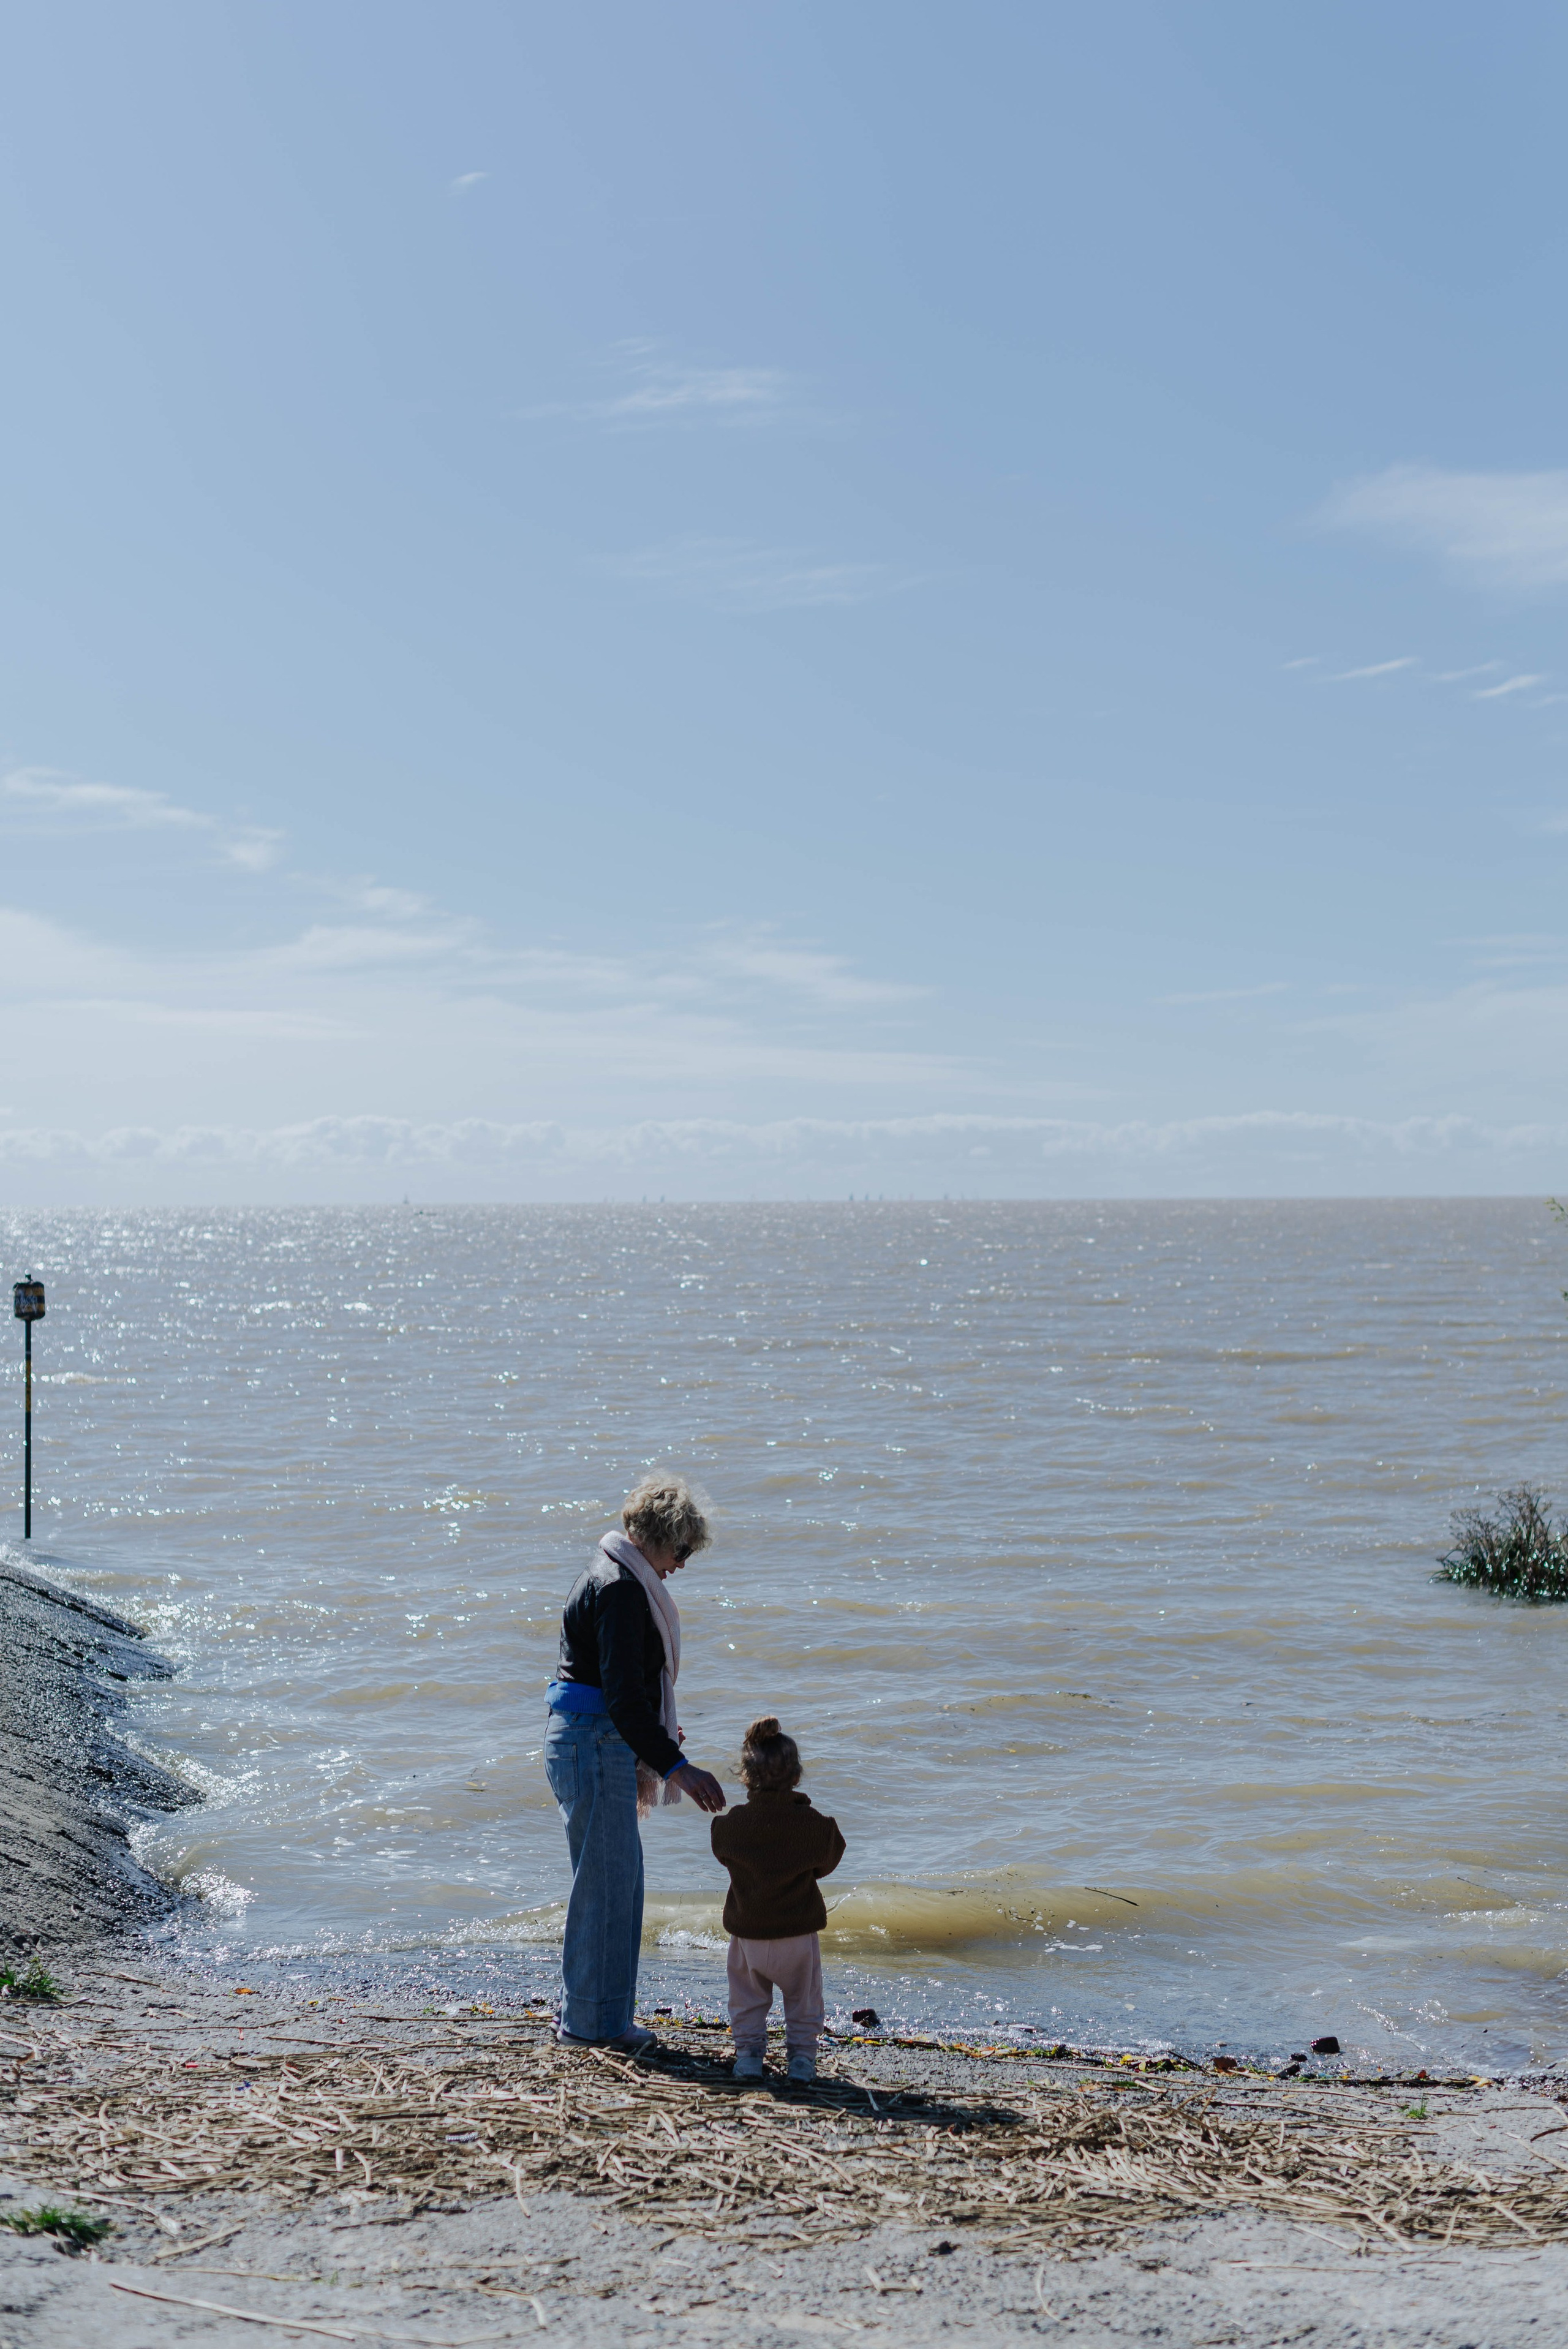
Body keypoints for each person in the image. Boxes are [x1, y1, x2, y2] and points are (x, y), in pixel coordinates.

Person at [545, 1472, 726, 2053]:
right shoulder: (621, 1588)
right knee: (606, 1887)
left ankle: (598, 2017)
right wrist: (677, 1765)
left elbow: (626, 1689)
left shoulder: (613, 1572)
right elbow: (622, 1697)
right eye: (682, 1551)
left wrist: (656, 1730)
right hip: (594, 1739)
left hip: (593, 1737)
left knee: (616, 1884)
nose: (681, 1564)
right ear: (660, 1539)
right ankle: (590, 2027)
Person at [709, 1714, 845, 2082]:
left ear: (746, 1776)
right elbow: (831, 1857)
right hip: (797, 1934)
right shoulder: (815, 1825)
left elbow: (721, 1849)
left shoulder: (731, 1826)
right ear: (797, 1776)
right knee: (803, 2001)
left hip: (749, 1933)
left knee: (747, 2001)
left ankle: (749, 2056)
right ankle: (801, 2060)